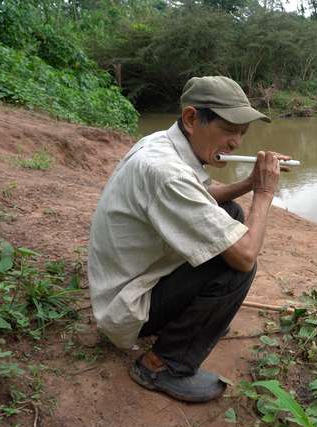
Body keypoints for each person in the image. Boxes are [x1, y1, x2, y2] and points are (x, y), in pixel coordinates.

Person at [87, 76, 288, 402]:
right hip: (128, 307)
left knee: (231, 214)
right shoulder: (165, 172)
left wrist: (250, 182)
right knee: (237, 267)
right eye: (228, 129)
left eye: (242, 132)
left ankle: (196, 322)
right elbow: (247, 254)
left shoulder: (166, 143)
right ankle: (162, 365)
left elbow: (208, 195)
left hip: (133, 280)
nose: (236, 142)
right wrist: (264, 193)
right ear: (192, 119)